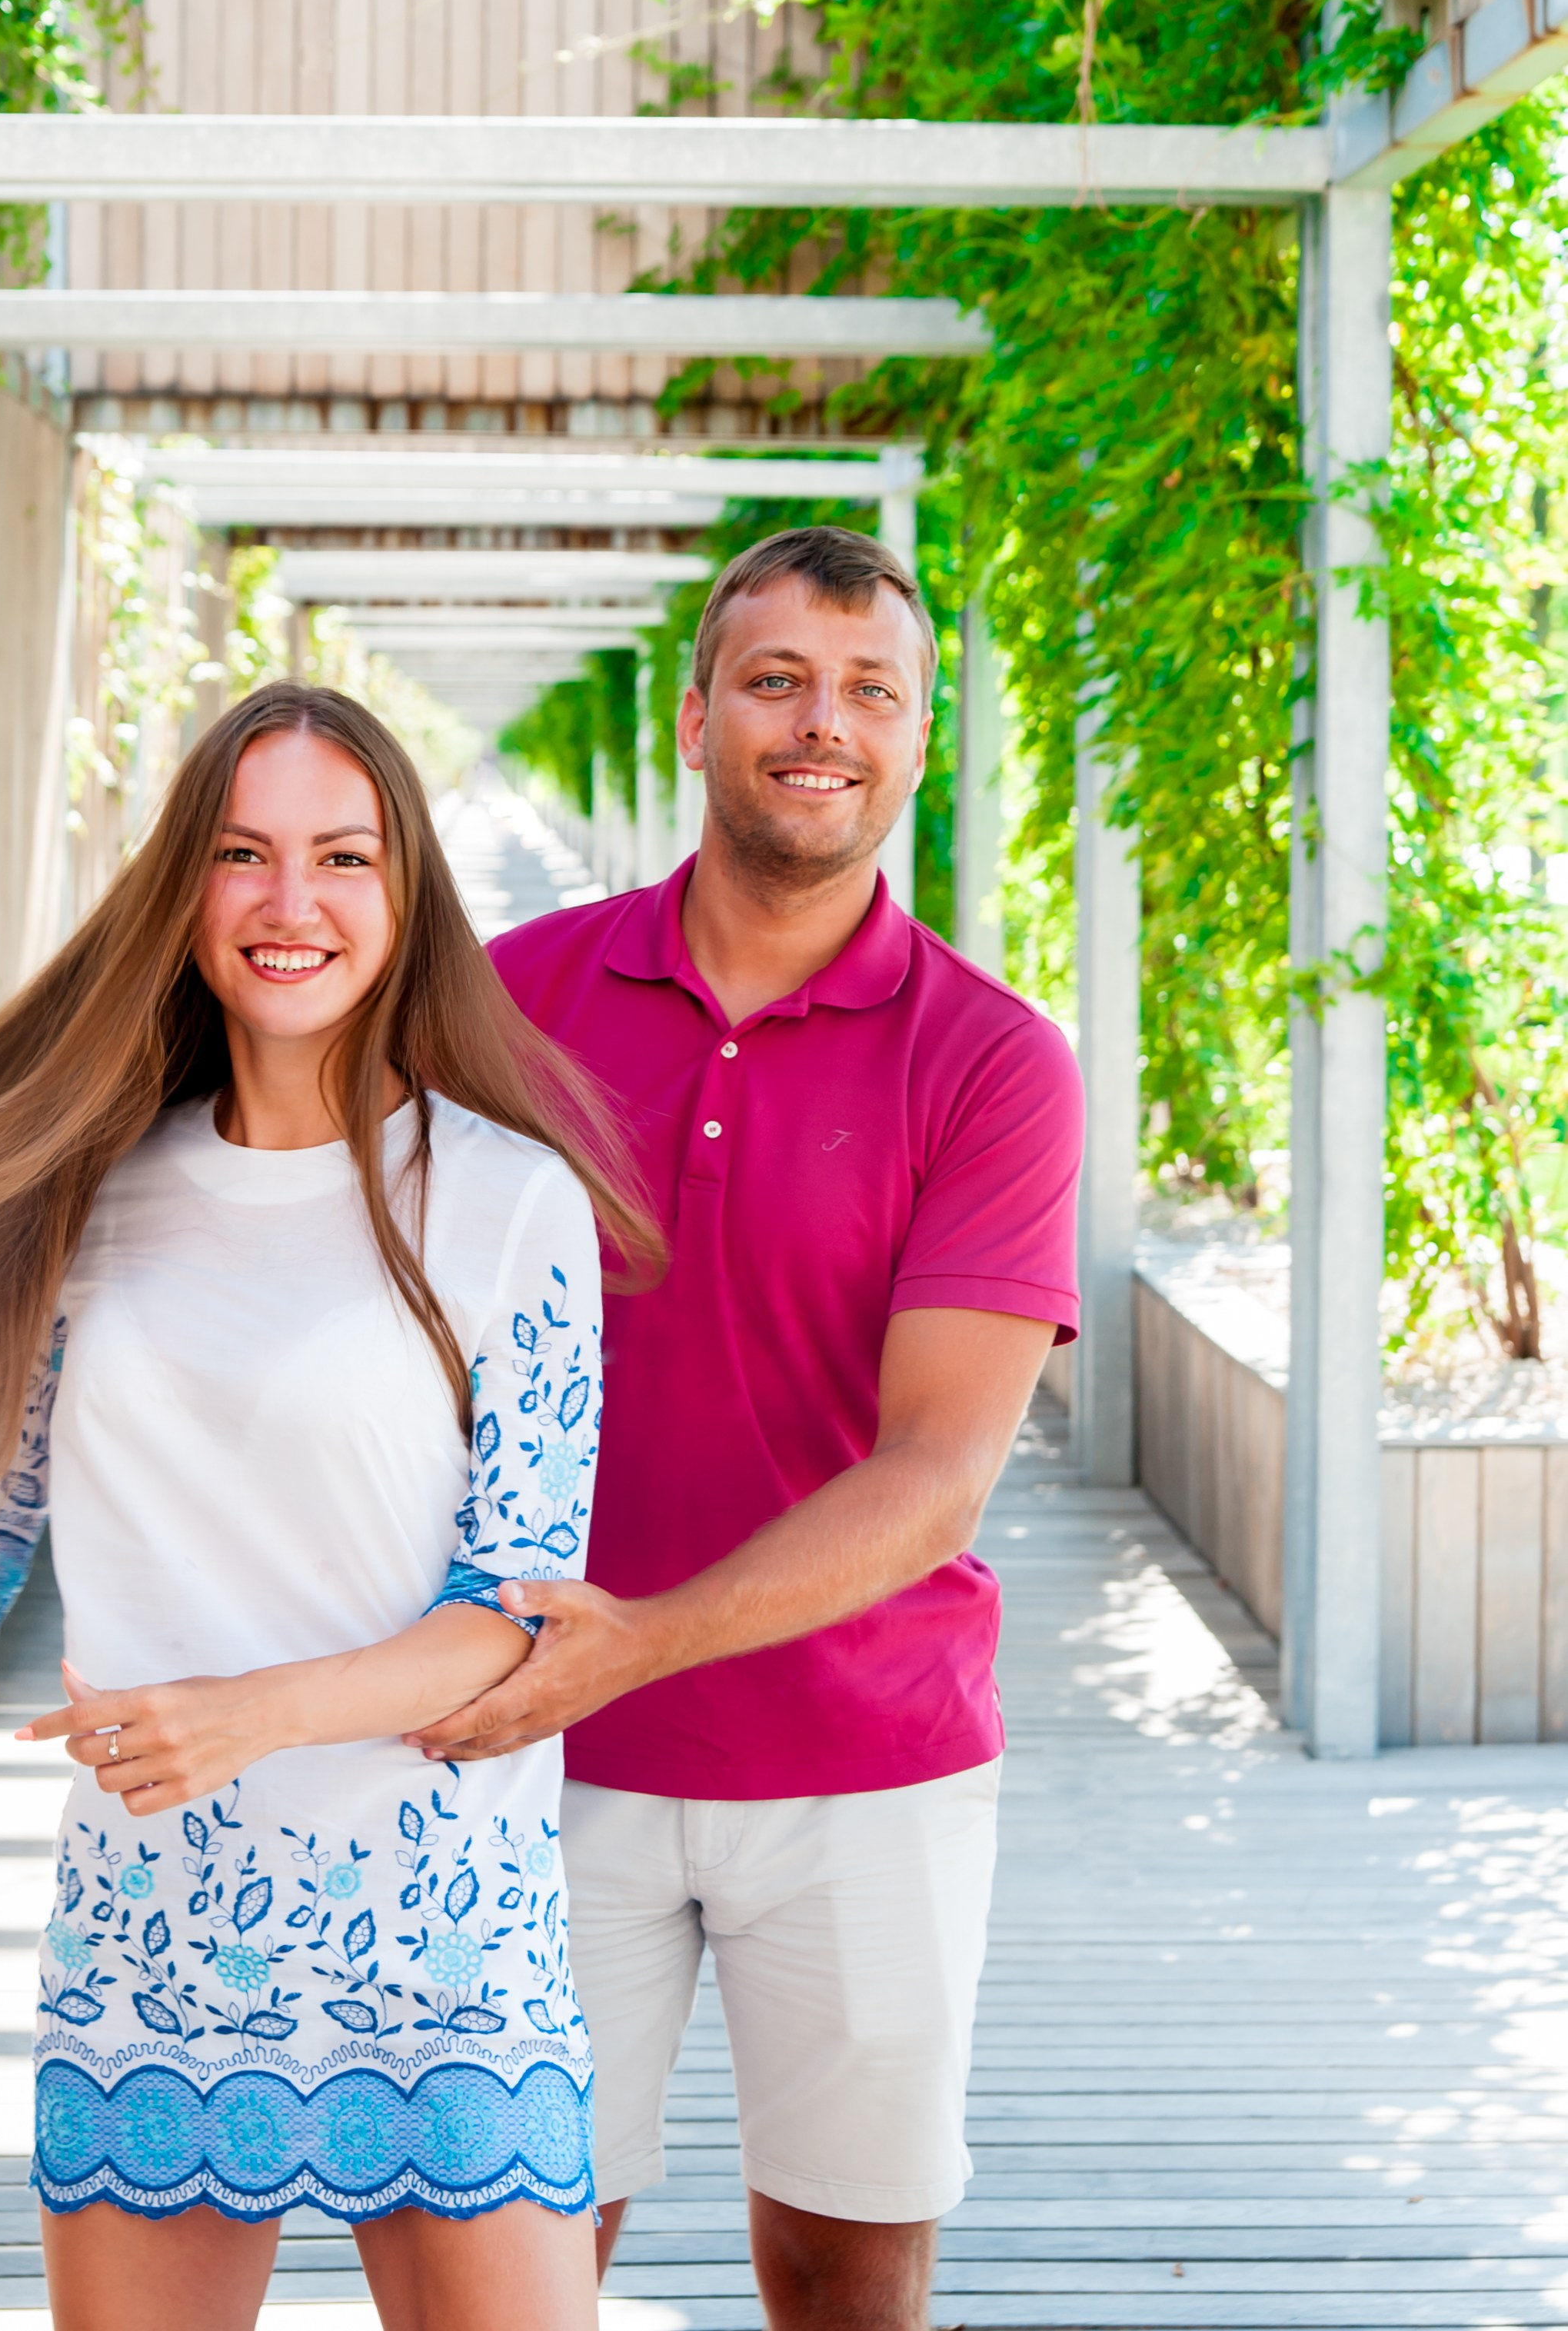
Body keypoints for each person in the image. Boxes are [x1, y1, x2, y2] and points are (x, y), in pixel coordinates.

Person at [0, 682, 661, 2331]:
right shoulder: (90, 1192)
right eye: (243, 853)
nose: (290, 899)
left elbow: (515, 1614)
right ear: (182, 889)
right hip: (158, 1934)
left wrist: (252, 1712)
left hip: (444, 1943)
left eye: (343, 856)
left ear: (408, 896)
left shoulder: (507, 1200)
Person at [414, 525, 1085, 2331]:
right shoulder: (509, 1001)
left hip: (866, 1753)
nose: (821, 724)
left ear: (919, 738)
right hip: (533, 1748)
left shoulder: (992, 1060)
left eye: (871, 690)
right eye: (777, 680)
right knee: (512, 2268)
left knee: (847, 2272)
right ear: (697, 714)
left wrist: (639, 1640)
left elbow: (935, 1475)